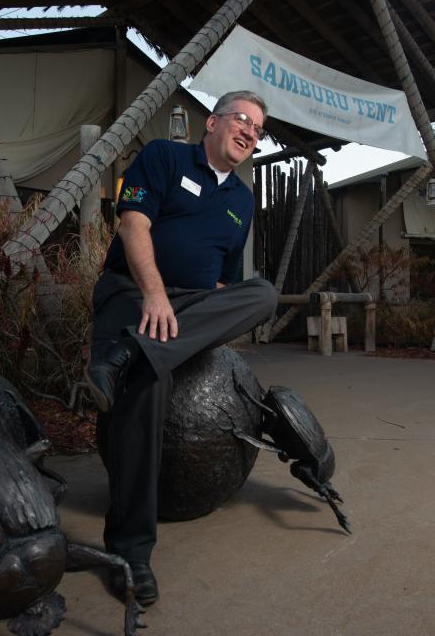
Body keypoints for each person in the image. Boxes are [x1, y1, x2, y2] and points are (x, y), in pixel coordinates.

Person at [85, 91, 278, 606]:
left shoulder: (241, 200)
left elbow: (223, 286)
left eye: (258, 130)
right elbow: (134, 223)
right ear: (211, 122)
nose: (250, 133)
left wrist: (187, 312)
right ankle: (130, 550)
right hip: (132, 292)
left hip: (189, 306)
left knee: (262, 293)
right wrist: (153, 295)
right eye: (243, 120)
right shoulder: (165, 158)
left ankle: (126, 354)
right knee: (149, 386)